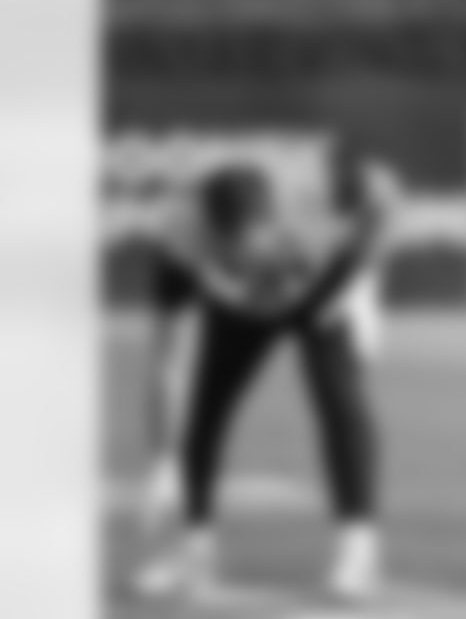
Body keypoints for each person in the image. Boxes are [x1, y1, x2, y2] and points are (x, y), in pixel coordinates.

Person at [132, 144, 398, 602]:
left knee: (339, 395)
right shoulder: (179, 238)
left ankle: (359, 548)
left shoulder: (320, 202)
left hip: (320, 286)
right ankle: (196, 549)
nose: (252, 266)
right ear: (212, 239)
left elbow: (386, 198)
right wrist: (161, 460)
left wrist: (366, 284)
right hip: (237, 312)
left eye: (258, 251)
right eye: (237, 258)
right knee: (208, 408)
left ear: (275, 221)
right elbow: (166, 355)